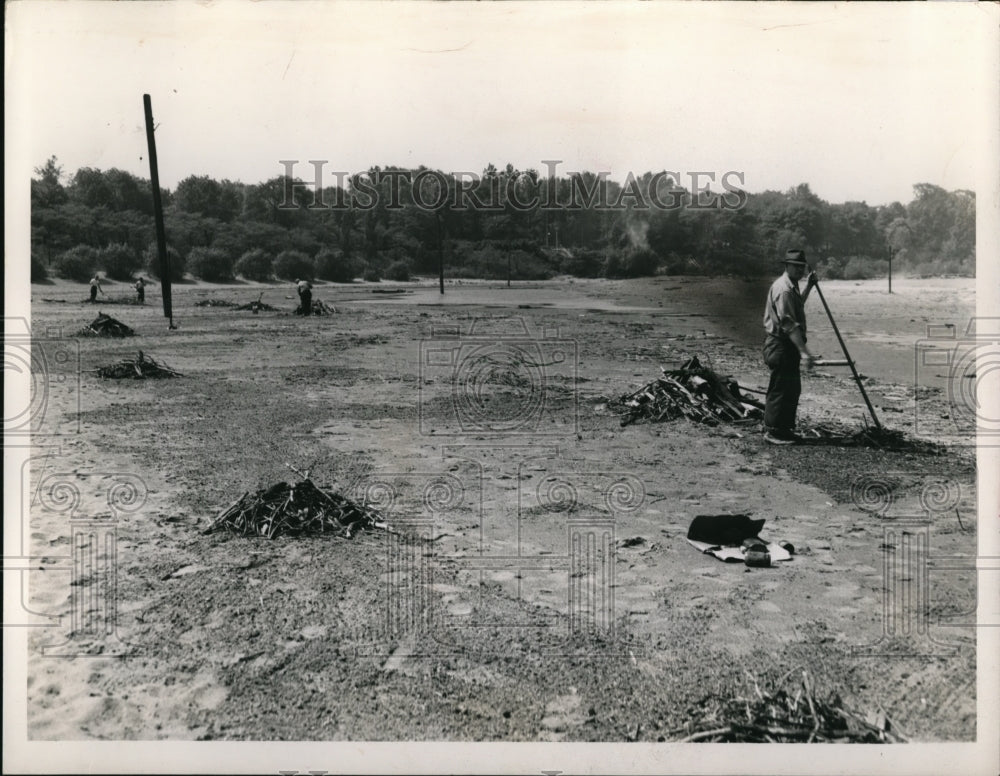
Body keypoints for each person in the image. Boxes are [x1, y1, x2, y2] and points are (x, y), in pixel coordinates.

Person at [762, 249, 818, 444]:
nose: (800, 271)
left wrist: (809, 286)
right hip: (780, 344)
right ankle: (773, 432)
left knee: (792, 388)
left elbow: (797, 306)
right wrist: (804, 352)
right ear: (787, 266)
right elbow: (788, 323)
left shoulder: (791, 286)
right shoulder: (784, 289)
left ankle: (784, 429)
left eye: (802, 267)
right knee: (780, 388)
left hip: (787, 344)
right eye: (796, 267)